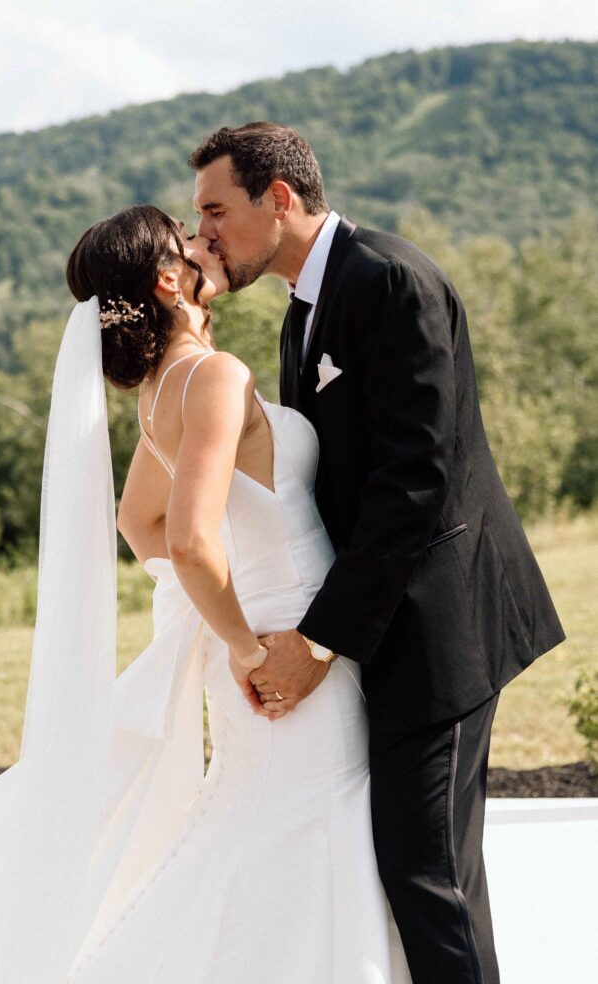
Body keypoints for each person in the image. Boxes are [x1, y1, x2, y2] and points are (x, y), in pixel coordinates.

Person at [0, 204, 411, 983]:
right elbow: (183, 538)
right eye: (187, 239)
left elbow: (133, 518)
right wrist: (247, 643)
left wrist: (212, 621)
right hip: (291, 647)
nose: (202, 241)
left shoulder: (160, 391)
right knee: (313, 821)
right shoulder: (212, 376)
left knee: (267, 824)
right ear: (166, 280)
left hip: (254, 633)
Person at [188, 122, 566, 984]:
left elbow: (416, 478)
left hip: (440, 628)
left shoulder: (387, 279)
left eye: (214, 210)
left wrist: (318, 640)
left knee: (428, 875)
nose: (201, 231)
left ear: (277, 198)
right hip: (384, 629)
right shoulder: (301, 311)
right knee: (404, 869)